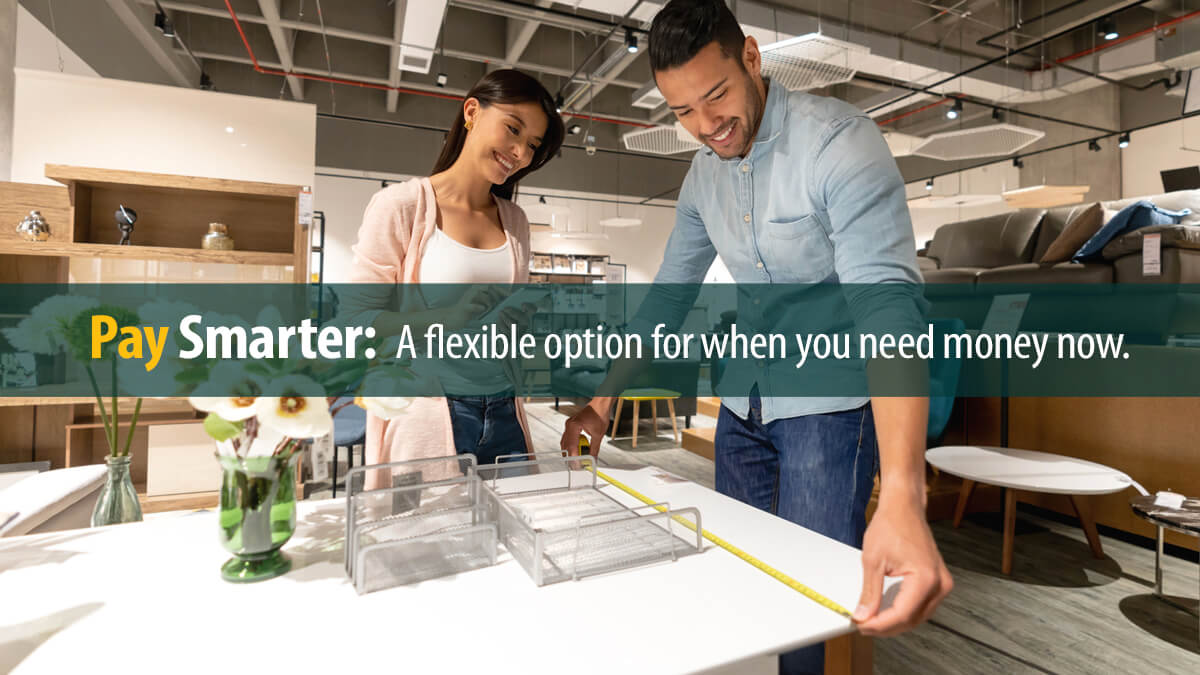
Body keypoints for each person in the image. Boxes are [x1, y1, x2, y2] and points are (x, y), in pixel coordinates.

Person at [559, 2, 952, 673]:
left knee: (810, 617)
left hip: (829, 414)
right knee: (743, 591)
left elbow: (887, 310)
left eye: (716, 96)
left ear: (750, 58)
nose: (706, 126)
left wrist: (905, 492)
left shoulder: (839, 143)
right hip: (743, 412)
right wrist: (604, 398)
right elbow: (669, 296)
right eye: (682, 111)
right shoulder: (702, 179)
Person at [344, 69, 564, 480]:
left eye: (532, 145)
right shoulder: (402, 206)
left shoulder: (515, 220)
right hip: (426, 413)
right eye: (513, 129)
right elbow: (356, 324)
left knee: (512, 534)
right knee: (430, 540)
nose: (519, 152)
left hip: (504, 410)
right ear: (472, 112)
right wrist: (445, 320)